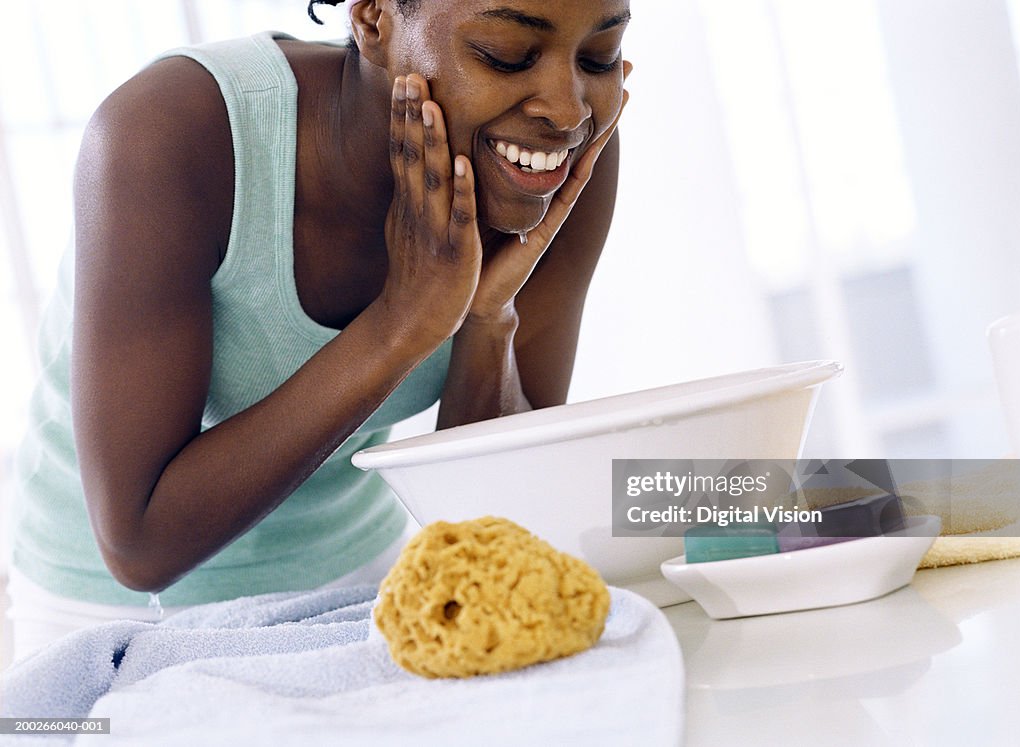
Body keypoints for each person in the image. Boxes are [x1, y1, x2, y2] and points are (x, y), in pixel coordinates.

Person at [4, 0, 631, 661]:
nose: (567, 110)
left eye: (599, 57)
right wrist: (400, 324)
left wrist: (485, 318)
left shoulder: (554, 161)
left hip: (360, 586)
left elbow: (492, 520)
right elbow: (138, 543)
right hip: (112, 620)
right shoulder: (170, 133)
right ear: (372, 19)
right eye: (506, 54)